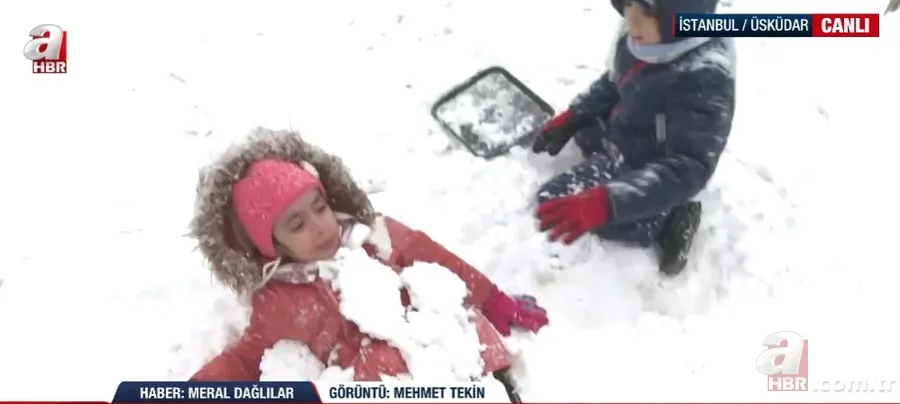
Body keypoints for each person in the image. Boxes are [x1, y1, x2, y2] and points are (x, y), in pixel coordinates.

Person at [188, 128, 548, 382]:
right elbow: (246, 358)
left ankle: (499, 388)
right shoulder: (280, 301)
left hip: (437, 342)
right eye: (297, 225)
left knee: (470, 329)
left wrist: (492, 299)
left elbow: (442, 264)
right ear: (273, 246)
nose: (320, 226)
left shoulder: (378, 238)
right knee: (380, 365)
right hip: (383, 381)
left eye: (319, 207)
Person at [532, 0, 736, 275]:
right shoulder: (647, 37)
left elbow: (690, 165)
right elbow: (619, 81)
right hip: (632, 126)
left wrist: (606, 203)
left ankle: (667, 216)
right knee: (586, 135)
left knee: (553, 200)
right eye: (628, 3)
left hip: (651, 163)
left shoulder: (705, 76)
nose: (632, 19)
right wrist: (574, 117)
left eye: (648, 10)